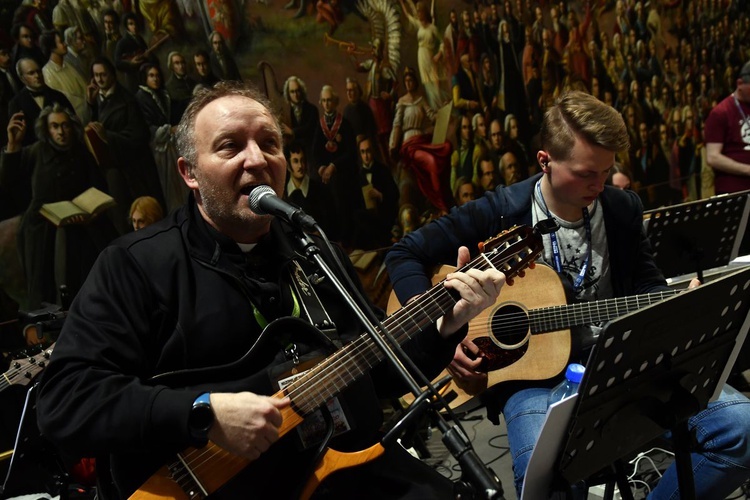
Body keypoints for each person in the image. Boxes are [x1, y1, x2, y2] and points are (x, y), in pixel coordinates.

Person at [35, 80, 505, 499]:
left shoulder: (313, 250)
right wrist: (202, 412)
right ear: (189, 173)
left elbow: (378, 368)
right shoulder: (135, 265)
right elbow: (64, 401)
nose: (257, 159)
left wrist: (445, 323)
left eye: (270, 143)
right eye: (229, 146)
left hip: (343, 468)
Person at [385, 90, 750, 498]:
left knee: (741, 430)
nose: (599, 184)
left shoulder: (620, 208)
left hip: (619, 362)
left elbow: (647, 283)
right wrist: (441, 335)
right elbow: (404, 254)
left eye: (606, 171)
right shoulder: (500, 210)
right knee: (544, 481)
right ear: (545, 161)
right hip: (532, 378)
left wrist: (673, 301)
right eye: (585, 173)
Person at [0, 104, 116, 309]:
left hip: (81, 223)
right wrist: (12, 145)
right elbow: (7, 180)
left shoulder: (81, 152)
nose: (61, 132)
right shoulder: (35, 152)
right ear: (47, 130)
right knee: (44, 281)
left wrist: (90, 213)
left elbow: (99, 186)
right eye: (55, 126)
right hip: (42, 226)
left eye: (65, 126)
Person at [390, 67, 453, 215]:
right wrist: (392, 145)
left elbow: (432, 116)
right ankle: (439, 203)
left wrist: (444, 109)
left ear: (415, 81)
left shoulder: (420, 99)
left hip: (422, 140)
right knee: (430, 160)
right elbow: (397, 125)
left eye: (410, 80)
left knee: (446, 147)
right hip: (409, 144)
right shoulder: (402, 102)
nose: (408, 83)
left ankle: (440, 200)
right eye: (406, 81)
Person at [705, 61, 750, 195]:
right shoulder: (721, 112)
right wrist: (748, 169)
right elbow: (712, 157)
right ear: (739, 84)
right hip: (735, 192)